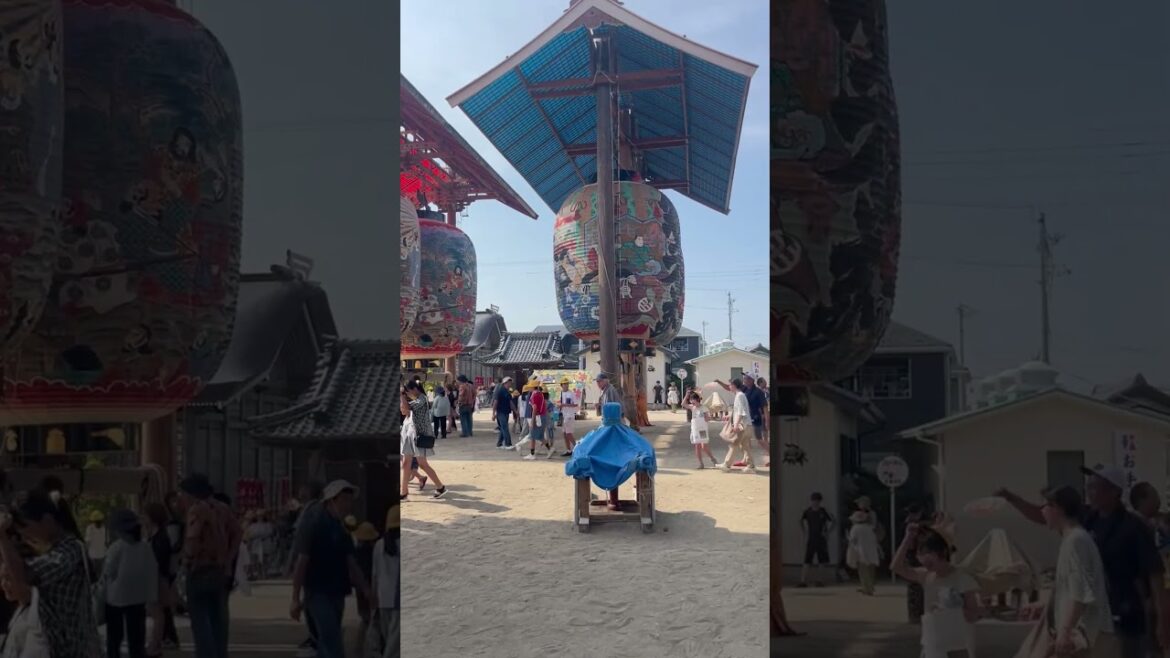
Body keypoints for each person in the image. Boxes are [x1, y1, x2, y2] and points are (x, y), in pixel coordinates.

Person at [997, 464, 1167, 657]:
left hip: (1125, 614)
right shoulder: (1088, 518)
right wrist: (1011, 498)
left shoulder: (1133, 527)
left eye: (1095, 487)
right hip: (1094, 616)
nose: (1089, 491)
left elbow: (1155, 573)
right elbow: (1042, 515)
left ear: (1114, 492)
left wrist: (1162, 620)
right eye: (1089, 486)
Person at [1013, 485, 1116, 657]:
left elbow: (1079, 593)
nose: (1042, 512)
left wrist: (1065, 631)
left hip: (1085, 634)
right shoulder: (1075, 539)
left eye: (1045, 506)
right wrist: (1047, 605)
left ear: (1058, 508)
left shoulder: (1076, 541)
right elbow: (1069, 589)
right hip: (1085, 632)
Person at [0, 489, 101, 658]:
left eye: (26, 528)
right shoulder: (53, 551)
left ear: (47, 520)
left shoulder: (70, 549)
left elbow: (22, 575)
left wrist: (2, 536)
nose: (25, 536)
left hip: (72, 650)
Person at [289, 480, 378, 658]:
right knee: (332, 642)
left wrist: (367, 590)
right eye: (344, 500)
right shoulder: (313, 524)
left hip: (337, 592)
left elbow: (351, 564)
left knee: (328, 642)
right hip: (317, 593)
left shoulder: (341, 529)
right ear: (331, 501)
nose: (348, 505)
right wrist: (295, 598)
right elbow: (302, 562)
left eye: (350, 500)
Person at [890, 522, 979, 658]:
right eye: (920, 554)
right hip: (932, 642)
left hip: (957, 644)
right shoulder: (926, 575)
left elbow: (974, 615)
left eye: (928, 553)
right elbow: (896, 567)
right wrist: (908, 538)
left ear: (943, 552)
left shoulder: (963, 579)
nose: (924, 560)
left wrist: (954, 608)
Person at [178, 473, 242, 658]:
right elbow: (237, 533)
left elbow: (192, 537)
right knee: (219, 620)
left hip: (199, 569)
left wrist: (185, 561)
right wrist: (229, 559)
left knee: (200, 621)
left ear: (191, 493)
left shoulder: (197, 509)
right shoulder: (223, 508)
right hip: (220, 570)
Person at [103, 508, 159, 658]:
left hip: (115, 598)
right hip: (138, 598)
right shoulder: (145, 547)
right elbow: (152, 571)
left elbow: (108, 571)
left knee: (114, 637)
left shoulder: (116, 547)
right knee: (137, 637)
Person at [401, 380, 447, 500]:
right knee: (406, 463)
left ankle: (440, 486)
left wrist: (402, 396)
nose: (407, 393)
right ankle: (404, 492)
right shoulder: (416, 399)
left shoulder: (422, 399)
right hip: (409, 433)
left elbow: (406, 408)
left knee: (422, 464)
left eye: (408, 391)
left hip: (418, 435)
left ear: (414, 389)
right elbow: (404, 410)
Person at [143, 502, 177, 655]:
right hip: (156, 577)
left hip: (157, 577)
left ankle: (155, 644)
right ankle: (155, 643)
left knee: (157, 613)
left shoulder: (161, 537)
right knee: (156, 613)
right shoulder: (156, 535)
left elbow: (160, 560)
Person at [0, 560, 49, 657]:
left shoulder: (36, 616)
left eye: (8, 578)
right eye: (2, 578)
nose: (3, 584)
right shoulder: (21, 608)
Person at [371, 506, 400, 658]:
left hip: (383, 599)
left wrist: (373, 599)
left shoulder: (379, 545)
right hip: (398, 601)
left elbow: (375, 575)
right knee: (395, 647)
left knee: (388, 640)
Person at [718, 379, 757, 473]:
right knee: (745, 446)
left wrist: (735, 425)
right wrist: (730, 416)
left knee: (734, 444)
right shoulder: (741, 395)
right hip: (747, 425)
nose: (729, 386)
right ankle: (751, 466)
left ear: (734, 385)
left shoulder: (739, 396)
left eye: (730, 385)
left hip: (742, 426)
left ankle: (726, 465)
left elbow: (741, 412)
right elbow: (739, 411)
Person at [799, 493, 834, 588]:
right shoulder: (808, 511)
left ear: (820, 501)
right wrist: (804, 532)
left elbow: (832, 521)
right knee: (807, 559)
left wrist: (828, 532)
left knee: (821, 560)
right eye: (813, 500)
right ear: (811, 501)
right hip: (811, 538)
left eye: (817, 501)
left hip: (821, 539)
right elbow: (801, 520)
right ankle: (803, 581)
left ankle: (820, 580)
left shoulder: (823, 511)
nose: (815, 502)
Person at [847, 510, 880, 596]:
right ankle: (871, 587)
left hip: (861, 552)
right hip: (872, 552)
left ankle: (866, 589)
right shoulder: (870, 527)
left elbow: (853, 540)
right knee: (871, 571)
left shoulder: (855, 528)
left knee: (863, 572)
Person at [686, 391, 718, 468]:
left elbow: (707, 419)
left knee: (704, 446)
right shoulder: (692, 407)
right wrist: (687, 395)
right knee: (697, 445)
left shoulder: (704, 408)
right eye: (690, 400)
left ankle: (713, 459)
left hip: (702, 430)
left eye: (693, 400)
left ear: (697, 400)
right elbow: (683, 404)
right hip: (695, 430)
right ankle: (701, 463)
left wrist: (707, 417)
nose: (691, 402)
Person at [492, 377, 516, 448]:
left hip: (506, 412)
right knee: (505, 428)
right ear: (505, 383)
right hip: (500, 412)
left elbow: (510, 402)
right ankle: (508, 444)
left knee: (503, 428)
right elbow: (495, 402)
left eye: (511, 382)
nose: (510, 384)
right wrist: (494, 413)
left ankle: (499, 444)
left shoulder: (507, 392)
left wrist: (515, 411)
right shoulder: (500, 391)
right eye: (509, 382)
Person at [84, 511, 107, 583]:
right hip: (97, 556)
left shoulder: (90, 528)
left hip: (97, 556)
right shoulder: (103, 528)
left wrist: (85, 552)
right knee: (98, 576)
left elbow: (88, 542)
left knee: (96, 576)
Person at [558, 377, 579, 456]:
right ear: (561, 385)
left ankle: (577, 448)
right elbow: (561, 405)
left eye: (567, 384)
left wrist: (565, 405)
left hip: (569, 416)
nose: (566, 385)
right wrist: (560, 406)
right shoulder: (561, 393)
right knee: (564, 433)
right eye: (564, 384)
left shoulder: (571, 394)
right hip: (564, 415)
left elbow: (576, 404)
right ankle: (568, 450)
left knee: (568, 433)